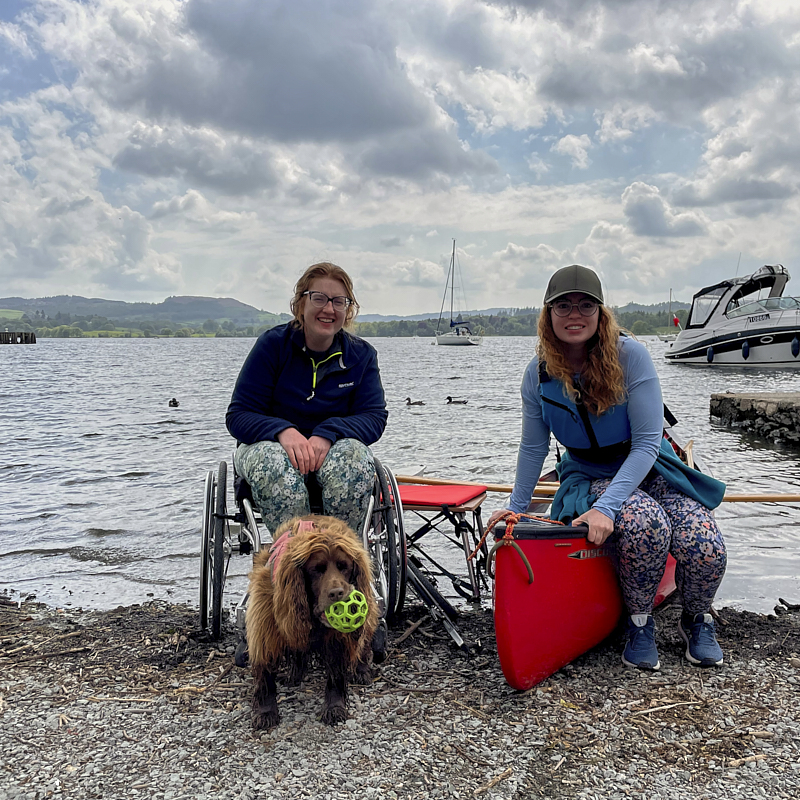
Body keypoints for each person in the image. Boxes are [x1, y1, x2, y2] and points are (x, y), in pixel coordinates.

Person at [488, 264, 727, 670]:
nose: (574, 315)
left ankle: (698, 617)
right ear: (548, 314)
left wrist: (607, 509)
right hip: (589, 473)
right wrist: (518, 506)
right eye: (563, 306)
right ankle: (639, 623)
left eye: (586, 305)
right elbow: (533, 447)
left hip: (653, 466)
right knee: (646, 524)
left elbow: (650, 442)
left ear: (601, 313)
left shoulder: (630, 355)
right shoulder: (538, 373)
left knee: (705, 546)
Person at [226, 262, 388, 536]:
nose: (328, 309)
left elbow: (374, 417)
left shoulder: (361, 356)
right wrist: (282, 431)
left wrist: (328, 433)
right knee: (275, 465)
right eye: (319, 298)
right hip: (270, 449)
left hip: (334, 450)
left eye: (339, 301)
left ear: (348, 310)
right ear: (300, 304)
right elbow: (238, 415)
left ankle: (342, 559)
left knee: (355, 460)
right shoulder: (272, 346)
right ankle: (293, 563)